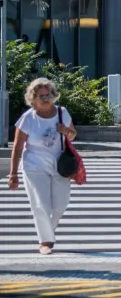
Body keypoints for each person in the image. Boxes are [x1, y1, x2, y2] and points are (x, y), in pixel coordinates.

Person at [7, 78, 77, 255]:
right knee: (40, 204)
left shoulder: (62, 113)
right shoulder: (27, 118)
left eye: (48, 95)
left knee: (60, 205)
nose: (45, 99)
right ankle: (45, 241)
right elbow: (17, 146)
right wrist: (13, 174)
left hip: (59, 165)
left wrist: (66, 131)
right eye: (41, 96)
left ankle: (48, 233)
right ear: (33, 98)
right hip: (34, 166)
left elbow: (73, 135)